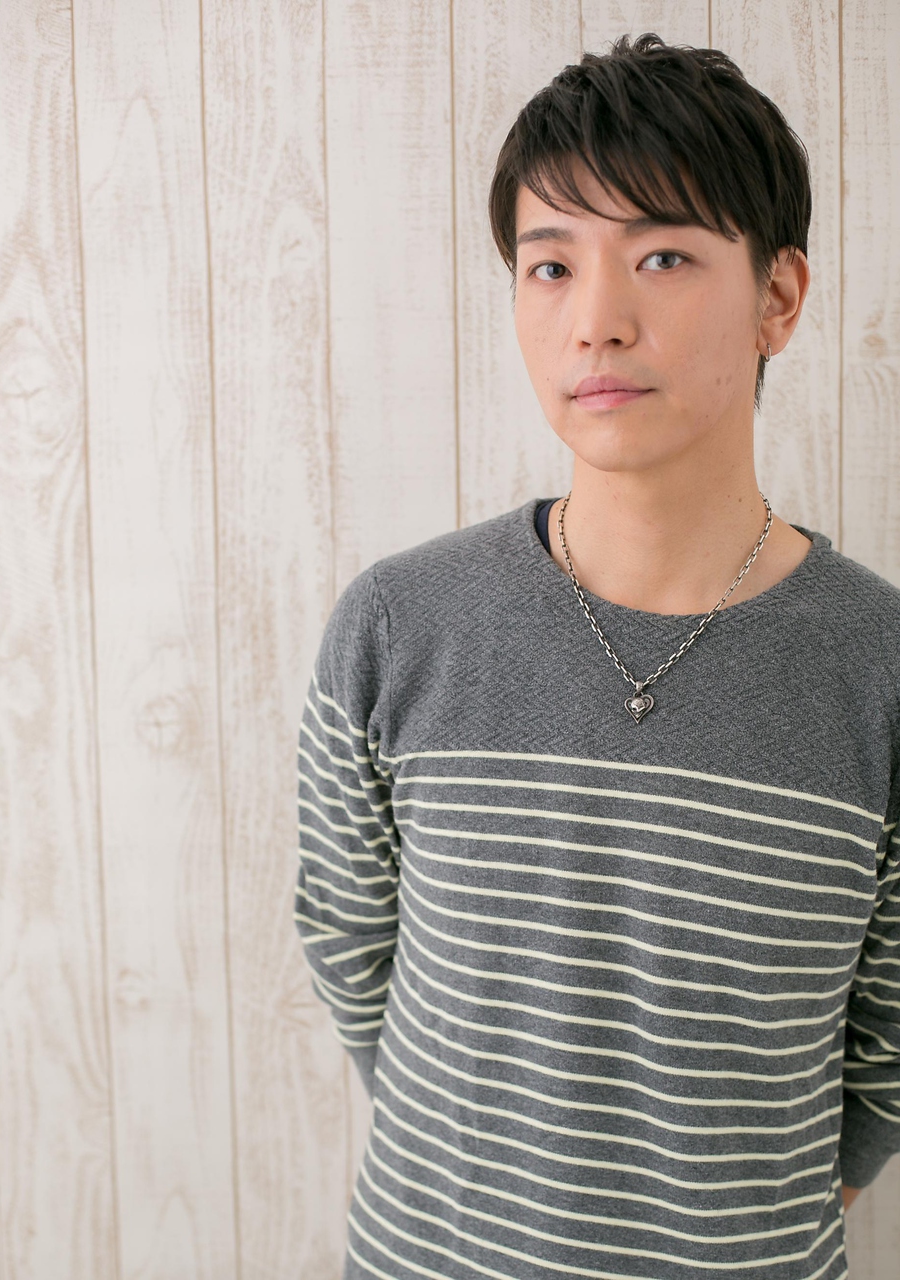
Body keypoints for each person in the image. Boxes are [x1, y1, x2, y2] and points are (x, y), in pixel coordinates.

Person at [294, 32, 900, 1280]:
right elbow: (353, 951)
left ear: (779, 297)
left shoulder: (878, 667)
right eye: (551, 265)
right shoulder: (399, 625)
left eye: (663, 256)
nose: (597, 321)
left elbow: (888, 1044)